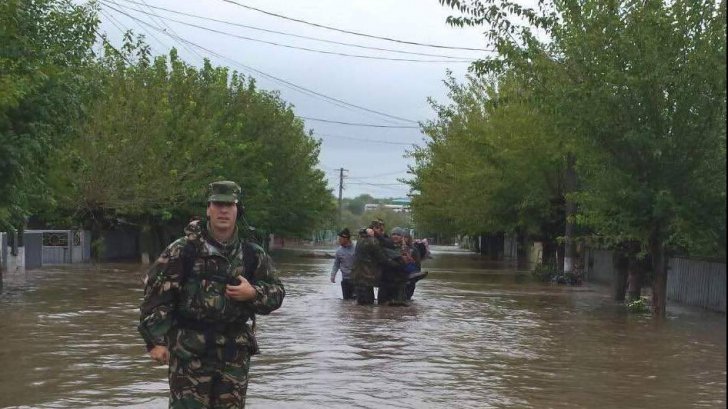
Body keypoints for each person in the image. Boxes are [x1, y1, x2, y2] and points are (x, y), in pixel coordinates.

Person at [138, 180, 285, 408]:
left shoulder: (251, 253)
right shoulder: (183, 249)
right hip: (189, 354)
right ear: (208, 209)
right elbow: (155, 296)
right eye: (217, 204)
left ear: (238, 210)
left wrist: (253, 293)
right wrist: (155, 342)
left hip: (234, 355)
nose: (223, 210)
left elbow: (277, 293)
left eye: (229, 205)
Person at [351, 221, 403, 305]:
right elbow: (383, 259)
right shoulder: (373, 241)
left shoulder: (361, 238)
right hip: (366, 277)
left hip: (358, 276)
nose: (382, 232)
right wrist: (398, 265)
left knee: (362, 307)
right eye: (380, 230)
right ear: (374, 229)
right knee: (367, 306)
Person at [330, 227, 355, 300]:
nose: (339, 240)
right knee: (346, 302)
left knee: (355, 302)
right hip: (345, 280)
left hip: (356, 280)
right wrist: (333, 275)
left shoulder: (356, 248)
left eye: (340, 239)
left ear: (346, 238)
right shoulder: (339, 251)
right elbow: (336, 265)